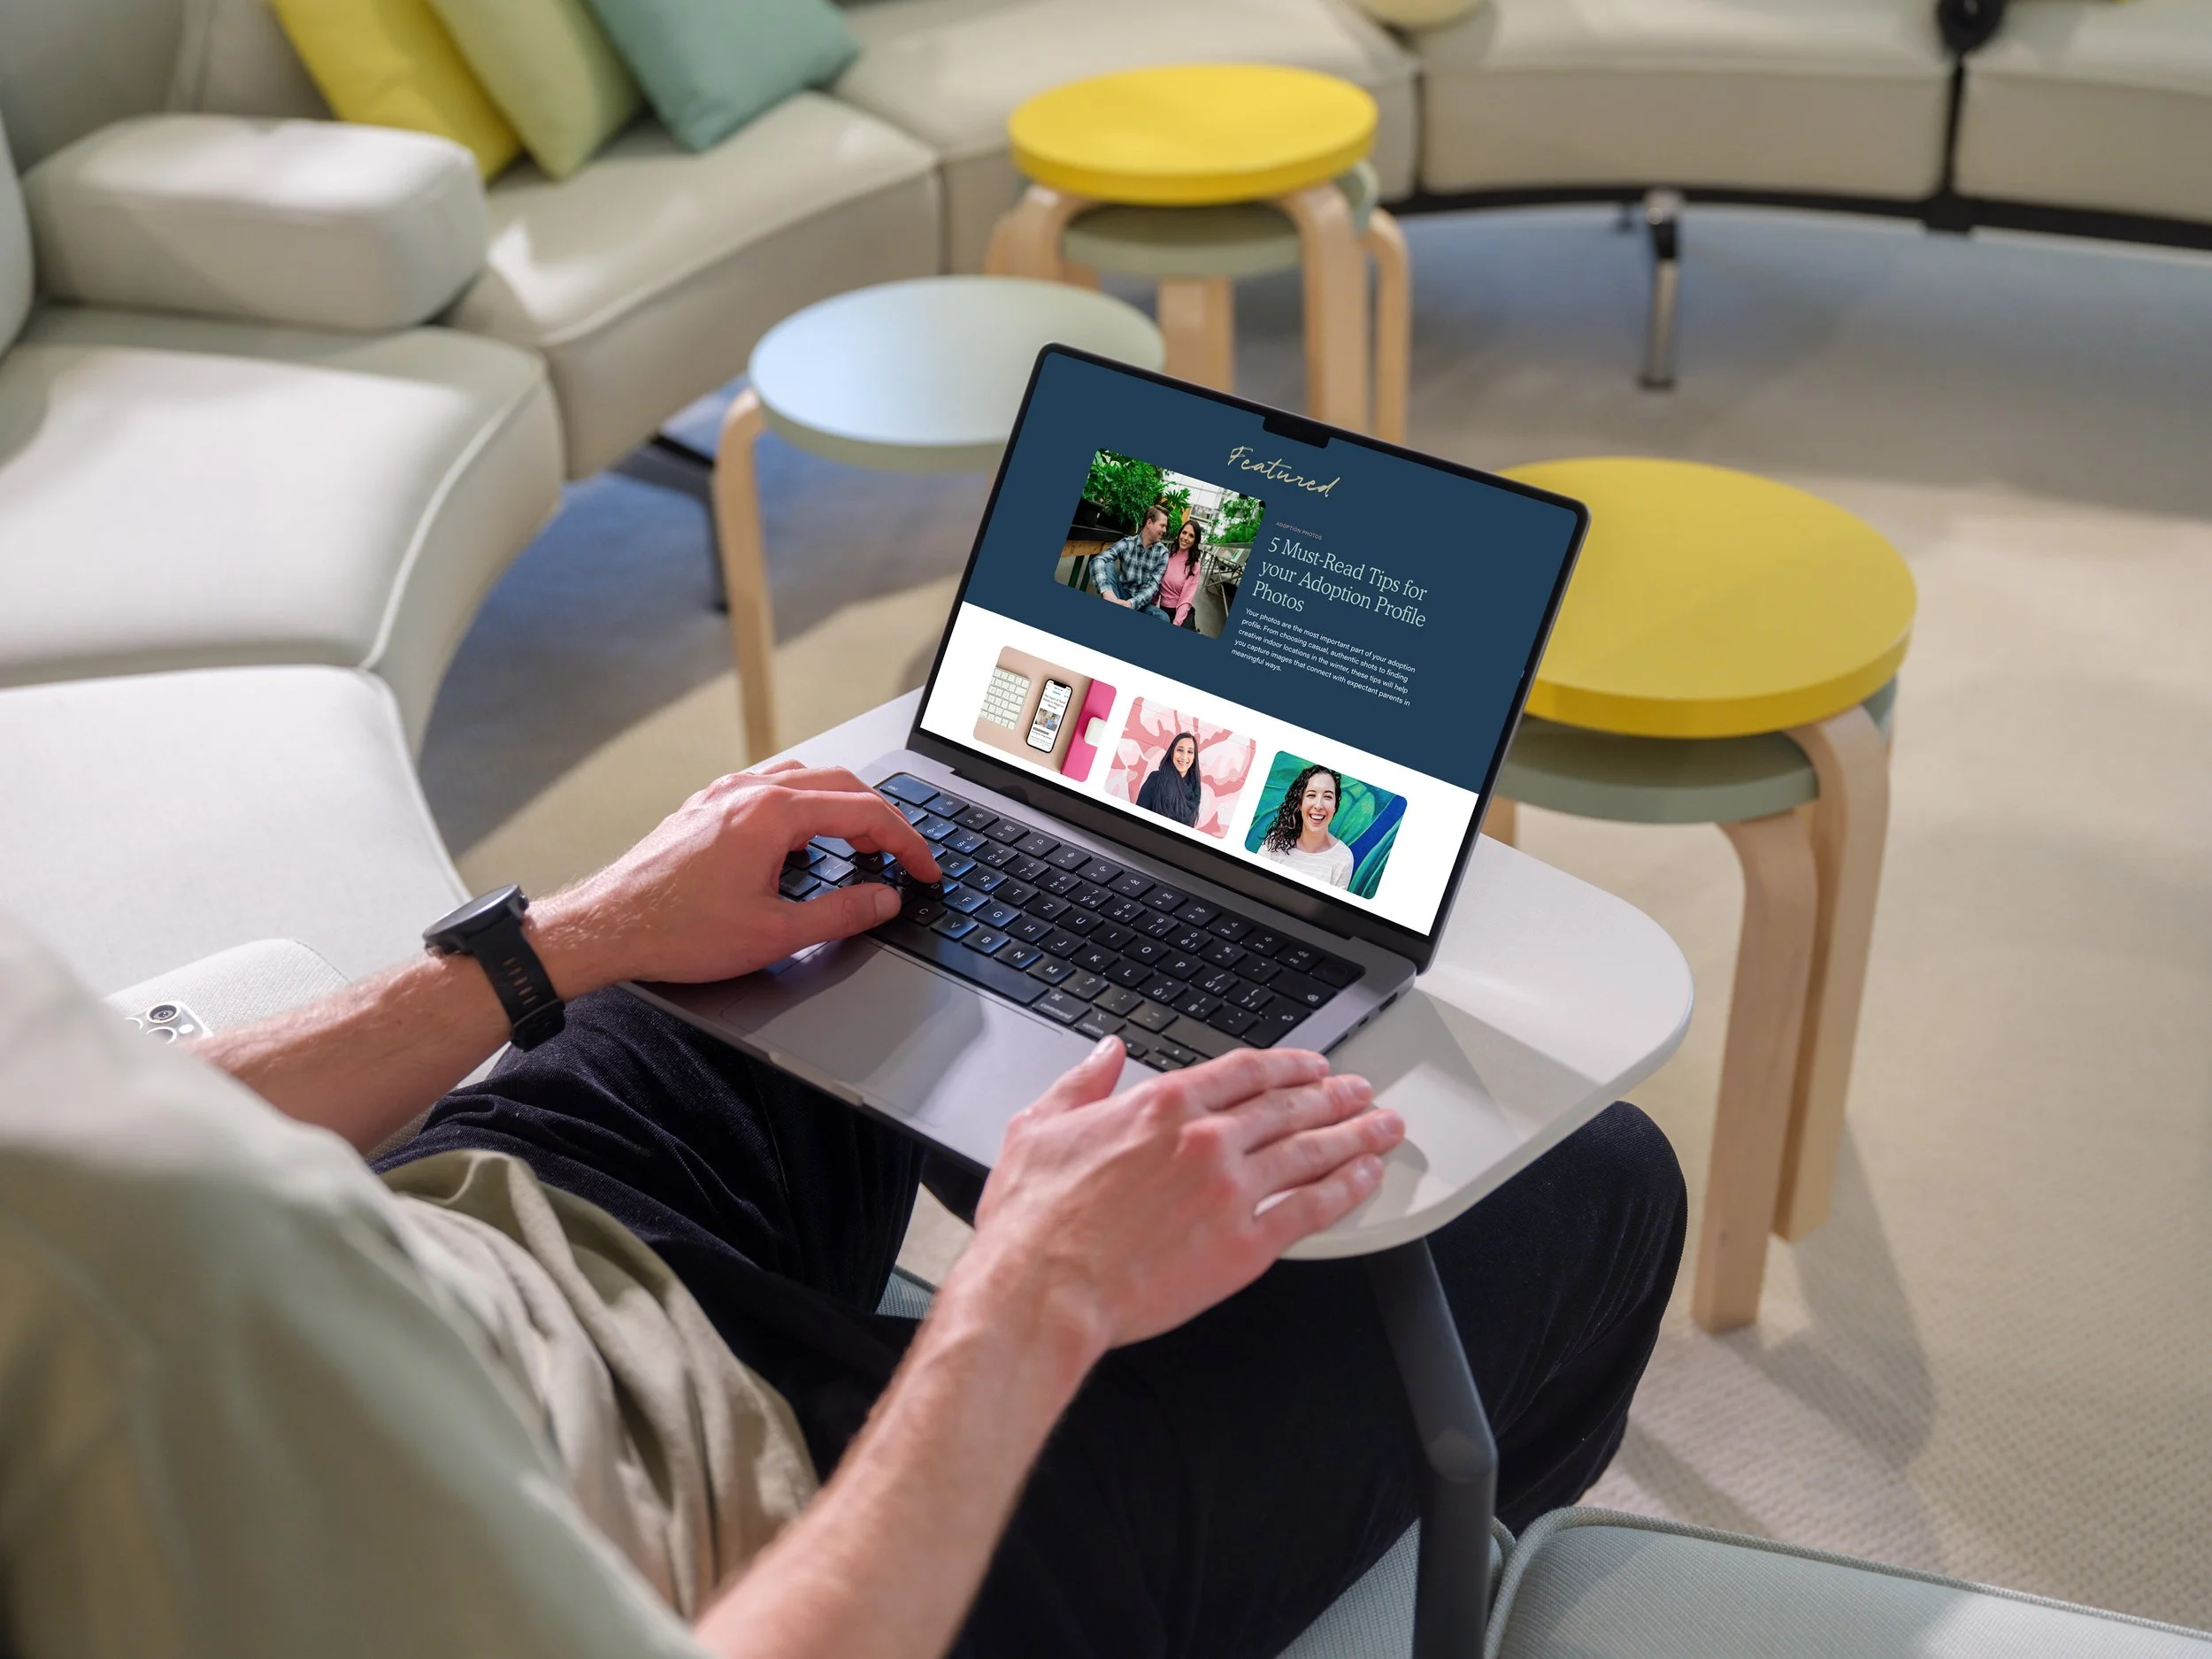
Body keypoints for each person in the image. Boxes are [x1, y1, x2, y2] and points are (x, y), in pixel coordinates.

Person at [0, 761, 1686, 1659]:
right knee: (1594, 1186)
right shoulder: (135, 1439)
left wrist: (569, 936)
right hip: (756, 1547)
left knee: (847, 925)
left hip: (478, 1241)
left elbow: (129, 1121)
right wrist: (1024, 1303)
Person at [1260, 763, 1357, 889]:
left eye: (1328, 797)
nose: (1318, 805)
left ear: (1335, 806)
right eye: (1311, 795)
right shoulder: (1273, 844)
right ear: (1300, 803)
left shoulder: (1343, 858)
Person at [1088, 503, 1171, 611]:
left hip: (1140, 602)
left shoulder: (1163, 553)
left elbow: (1153, 586)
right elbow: (1098, 560)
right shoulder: (1128, 543)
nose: (1165, 530)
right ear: (1149, 523)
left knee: (1162, 617)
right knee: (1108, 565)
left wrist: (1132, 604)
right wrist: (1106, 591)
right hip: (1121, 593)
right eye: (1162, 525)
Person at [1133, 731, 1204, 827]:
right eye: (1180, 750)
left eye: (1190, 752)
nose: (1184, 757)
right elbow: (1137, 817)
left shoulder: (1195, 789)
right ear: (1172, 752)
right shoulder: (1156, 779)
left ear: (1194, 757)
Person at [1144, 518, 1204, 627]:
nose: (1186, 538)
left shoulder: (1195, 564)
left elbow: (1186, 599)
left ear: (1195, 540)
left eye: (1191, 536)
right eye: (1184, 532)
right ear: (1179, 534)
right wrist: (1150, 606)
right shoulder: (1167, 556)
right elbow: (1156, 585)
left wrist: (1176, 623)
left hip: (1182, 613)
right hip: (1164, 611)